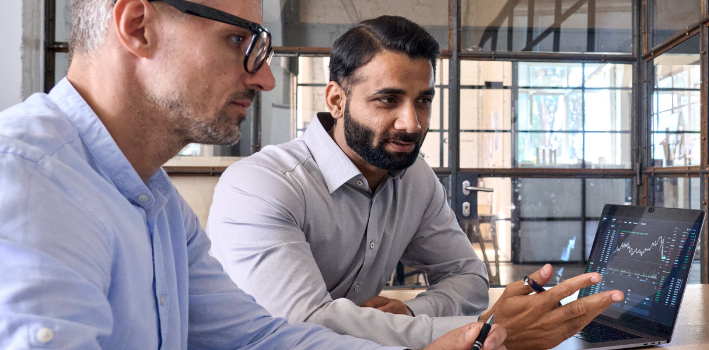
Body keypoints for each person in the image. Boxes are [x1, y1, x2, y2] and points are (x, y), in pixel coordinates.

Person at [0, 1, 506, 349]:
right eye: (237, 39)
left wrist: (446, 341)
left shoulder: (159, 203)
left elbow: (260, 337)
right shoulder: (27, 177)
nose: (264, 77)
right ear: (138, 26)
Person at [206, 15, 624, 350]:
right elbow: (303, 324)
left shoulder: (414, 177)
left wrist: (410, 315)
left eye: (423, 101)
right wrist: (483, 330)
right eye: (387, 100)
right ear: (336, 100)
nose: (412, 124)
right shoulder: (261, 185)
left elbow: (467, 276)